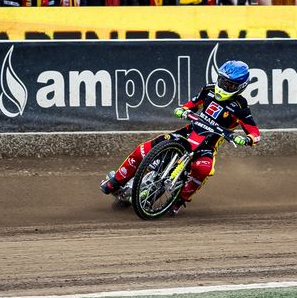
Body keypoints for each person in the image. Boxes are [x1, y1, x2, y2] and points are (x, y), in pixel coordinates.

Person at [99, 60, 260, 216]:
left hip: (207, 146)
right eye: (222, 81)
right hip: (185, 135)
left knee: (203, 169)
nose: (223, 86)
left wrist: (246, 139)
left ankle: (178, 201)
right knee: (143, 150)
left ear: (240, 87)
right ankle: (116, 182)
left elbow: (255, 134)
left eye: (229, 85)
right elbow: (190, 105)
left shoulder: (241, 107)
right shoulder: (208, 90)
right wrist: (182, 109)